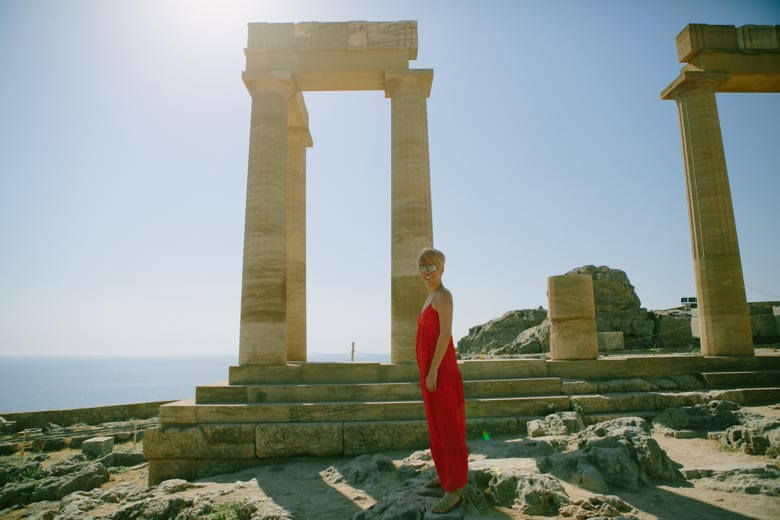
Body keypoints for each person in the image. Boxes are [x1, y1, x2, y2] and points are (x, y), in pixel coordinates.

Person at [415, 247, 468, 513]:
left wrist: (434, 369)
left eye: (432, 266)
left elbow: (445, 335)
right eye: (422, 267)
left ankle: (455, 489)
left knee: (449, 427)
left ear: (442, 269)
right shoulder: (429, 297)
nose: (427, 272)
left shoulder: (444, 297)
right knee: (436, 425)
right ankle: (444, 474)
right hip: (429, 370)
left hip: (441, 370)